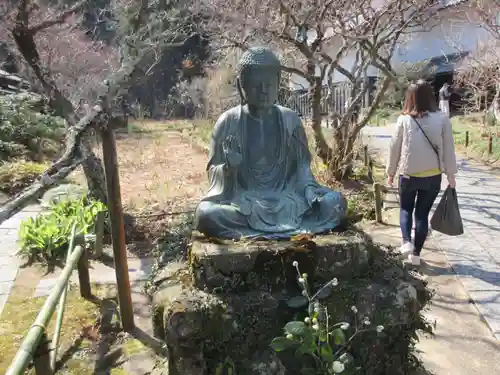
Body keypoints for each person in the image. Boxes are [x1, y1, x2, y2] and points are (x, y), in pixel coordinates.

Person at [194, 47, 347, 239]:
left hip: (288, 200)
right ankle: (287, 230)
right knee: (206, 215)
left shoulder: (290, 120)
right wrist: (229, 168)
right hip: (245, 202)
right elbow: (214, 177)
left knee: (335, 202)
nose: (264, 90)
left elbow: (303, 172)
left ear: (278, 84)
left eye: (270, 84)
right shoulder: (228, 123)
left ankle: (256, 233)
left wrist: (311, 195)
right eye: (256, 84)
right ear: (242, 86)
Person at [386, 80, 458, 266]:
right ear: (430, 96)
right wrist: (451, 175)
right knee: (422, 215)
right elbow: (449, 149)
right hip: (433, 177)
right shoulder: (442, 119)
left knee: (405, 209)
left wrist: (390, 172)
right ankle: (416, 256)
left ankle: (406, 242)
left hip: (408, 174)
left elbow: (394, 147)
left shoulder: (404, 119)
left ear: (409, 98)